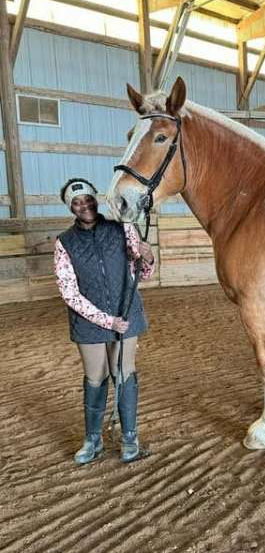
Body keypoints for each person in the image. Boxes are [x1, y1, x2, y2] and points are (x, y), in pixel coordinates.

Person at [53, 178, 155, 464]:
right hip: (90, 321)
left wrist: (147, 257)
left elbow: (141, 274)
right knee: (95, 377)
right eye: (77, 202)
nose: (84, 205)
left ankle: (129, 438)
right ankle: (93, 439)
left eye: (87, 199)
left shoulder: (122, 228)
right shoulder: (64, 243)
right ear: (70, 207)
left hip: (126, 312)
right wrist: (107, 321)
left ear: (95, 200)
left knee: (124, 373)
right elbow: (69, 293)